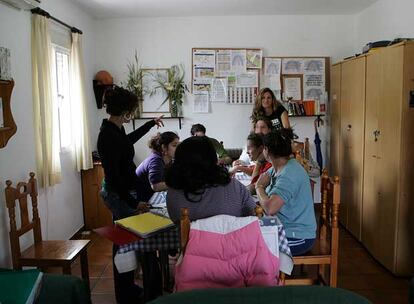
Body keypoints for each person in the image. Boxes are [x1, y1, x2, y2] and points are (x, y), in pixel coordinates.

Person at [97, 86, 164, 304]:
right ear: (125, 110)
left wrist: (150, 124)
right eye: (132, 110)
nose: (132, 114)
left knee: (128, 243)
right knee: (124, 244)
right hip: (119, 195)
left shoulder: (115, 129)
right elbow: (114, 180)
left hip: (124, 192)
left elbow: (127, 143)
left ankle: (129, 289)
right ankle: (125, 295)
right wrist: (135, 203)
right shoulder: (107, 135)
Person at [165, 136, 257, 222]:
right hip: (232, 237)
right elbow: (254, 214)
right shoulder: (234, 186)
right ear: (214, 160)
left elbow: (176, 221)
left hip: (192, 239)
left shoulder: (174, 192)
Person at [255, 128, 316, 256]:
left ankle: (269, 275)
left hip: (298, 237)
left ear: (267, 150)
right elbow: (255, 185)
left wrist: (259, 187)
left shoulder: (289, 173)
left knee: (253, 246)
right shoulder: (279, 166)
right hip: (285, 228)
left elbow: (270, 208)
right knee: (249, 237)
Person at [135, 131, 180, 202]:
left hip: (152, 195)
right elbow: (156, 186)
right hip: (141, 200)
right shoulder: (155, 161)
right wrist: (179, 183)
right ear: (164, 147)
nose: (178, 148)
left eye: (178, 145)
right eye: (174, 145)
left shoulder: (169, 159)